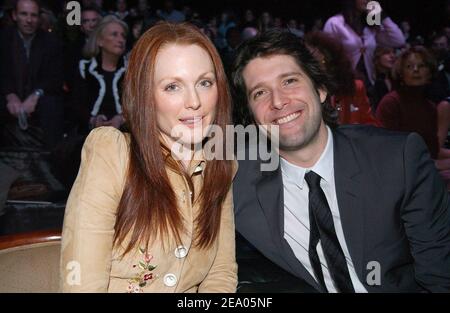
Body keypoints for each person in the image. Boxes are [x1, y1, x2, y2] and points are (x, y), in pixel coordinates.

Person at [231, 29, 450, 293]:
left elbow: (439, 277)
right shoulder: (235, 178)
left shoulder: (398, 160)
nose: (278, 101)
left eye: (289, 81)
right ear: (251, 116)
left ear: (321, 90)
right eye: (260, 93)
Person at [60, 22, 237, 293]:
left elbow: (220, 276)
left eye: (204, 82)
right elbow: (81, 285)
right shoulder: (113, 153)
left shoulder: (221, 164)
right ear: (145, 96)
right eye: (172, 87)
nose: (195, 101)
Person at [0, 0, 63, 149]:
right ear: (15, 15)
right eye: (24, 14)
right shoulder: (3, 39)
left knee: (53, 104)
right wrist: (10, 95)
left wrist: (36, 95)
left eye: (33, 15)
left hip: (38, 98)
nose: (29, 20)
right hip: (7, 95)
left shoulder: (51, 42)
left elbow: (55, 78)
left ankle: (52, 160)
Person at [323, 0, 405, 87]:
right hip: (343, 83)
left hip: (367, 83)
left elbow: (398, 40)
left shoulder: (371, 26)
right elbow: (327, 56)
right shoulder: (335, 23)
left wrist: (382, 15)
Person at [305, 31, 379, 126]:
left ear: (323, 55)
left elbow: (370, 124)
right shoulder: (305, 87)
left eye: (309, 53)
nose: (304, 58)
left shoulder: (355, 87)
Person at [70, 15, 128, 134]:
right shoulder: (85, 68)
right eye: (114, 34)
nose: (120, 39)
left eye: (123, 35)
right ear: (100, 41)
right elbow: (77, 105)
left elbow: (139, 106)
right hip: (89, 134)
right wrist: (93, 120)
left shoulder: (131, 70)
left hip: (125, 134)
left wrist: (121, 119)